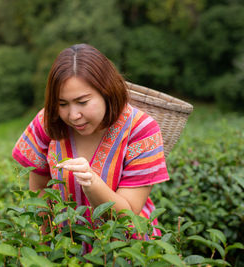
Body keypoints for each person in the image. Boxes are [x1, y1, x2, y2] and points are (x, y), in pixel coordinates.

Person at [12, 44, 169, 236]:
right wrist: (46, 246)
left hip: (125, 249)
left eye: (82, 102)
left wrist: (92, 183)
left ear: (106, 91)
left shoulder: (141, 130)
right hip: (66, 247)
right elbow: (39, 191)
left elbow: (128, 216)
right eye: (62, 104)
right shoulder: (48, 123)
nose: (73, 115)